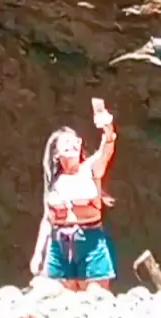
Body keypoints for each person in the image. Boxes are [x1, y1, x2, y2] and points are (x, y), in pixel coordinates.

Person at [30, 99, 117, 291]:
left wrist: (107, 125)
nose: (73, 144)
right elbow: (47, 220)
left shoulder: (91, 169)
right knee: (59, 300)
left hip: (91, 243)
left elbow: (108, 146)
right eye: (66, 143)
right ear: (56, 153)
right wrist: (38, 254)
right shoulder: (54, 181)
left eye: (75, 141)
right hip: (59, 248)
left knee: (96, 298)